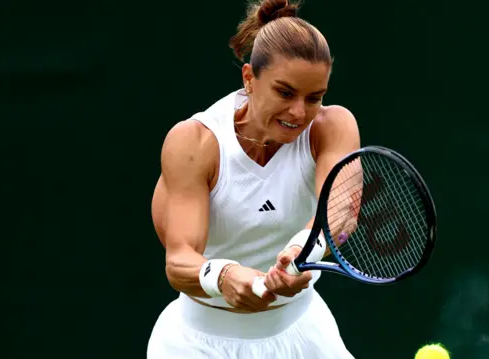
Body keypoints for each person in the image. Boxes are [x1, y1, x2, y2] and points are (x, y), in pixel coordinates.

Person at [147, 0, 360, 358]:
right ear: (249, 78)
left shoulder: (332, 127)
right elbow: (179, 260)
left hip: (303, 334)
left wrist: (301, 250)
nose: (299, 112)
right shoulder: (195, 143)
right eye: (285, 92)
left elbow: (341, 215)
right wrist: (223, 276)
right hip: (198, 345)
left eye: (314, 98)